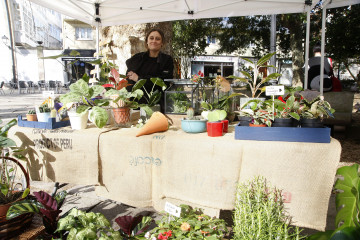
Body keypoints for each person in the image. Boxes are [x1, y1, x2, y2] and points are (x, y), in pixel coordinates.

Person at [126, 28, 174, 113]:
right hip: (137, 106)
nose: (154, 41)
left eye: (158, 39)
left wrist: (139, 79)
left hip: (157, 105)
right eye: (151, 38)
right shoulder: (138, 58)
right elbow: (129, 78)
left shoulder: (167, 60)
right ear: (147, 41)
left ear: (162, 43)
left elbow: (163, 83)